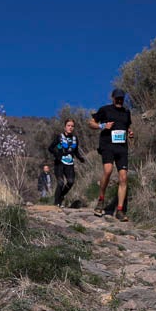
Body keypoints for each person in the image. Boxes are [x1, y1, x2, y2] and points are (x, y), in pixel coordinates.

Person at [89, 88, 134, 220]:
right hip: (107, 145)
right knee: (108, 171)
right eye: (117, 98)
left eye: (121, 98)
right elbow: (91, 123)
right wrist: (102, 126)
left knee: (124, 178)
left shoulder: (126, 112)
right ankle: (101, 200)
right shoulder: (105, 110)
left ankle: (120, 210)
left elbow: (127, 126)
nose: (119, 100)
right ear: (113, 98)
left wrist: (130, 133)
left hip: (122, 148)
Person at [48, 118, 86, 208]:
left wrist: (80, 158)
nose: (70, 128)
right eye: (68, 126)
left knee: (71, 182)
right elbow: (50, 148)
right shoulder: (59, 137)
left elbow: (76, 151)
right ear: (65, 127)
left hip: (69, 163)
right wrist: (57, 154)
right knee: (60, 183)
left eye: (72, 126)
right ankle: (57, 203)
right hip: (59, 163)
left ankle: (61, 196)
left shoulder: (74, 138)